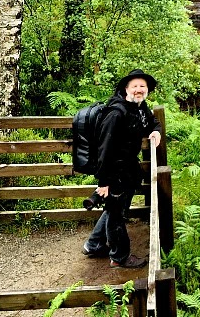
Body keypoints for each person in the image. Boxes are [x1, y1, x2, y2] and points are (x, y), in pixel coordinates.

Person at [82, 69, 162, 268]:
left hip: (128, 170)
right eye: (134, 86)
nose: (138, 90)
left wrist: (156, 132)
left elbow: (153, 122)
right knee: (116, 213)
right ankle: (119, 257)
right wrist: (104, 182)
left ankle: (93, 245)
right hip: (113, 172)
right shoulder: (116, 113)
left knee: (114, 210)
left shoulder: (140, 108)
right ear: (126, 89)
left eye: (142, 86)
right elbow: (104, 149)